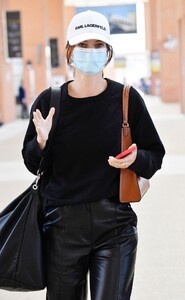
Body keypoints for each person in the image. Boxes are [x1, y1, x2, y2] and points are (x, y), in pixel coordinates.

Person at [22, 10, 165, 300]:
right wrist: (41, 142)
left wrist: (134, 160)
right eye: (83, 46)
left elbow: (155, 155)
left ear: (108, 51)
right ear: (69, 52)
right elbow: (32, 164)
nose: (91, 52)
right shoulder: (50, 101)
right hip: (61, 228)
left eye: (97, 45)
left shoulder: (127, 99)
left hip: (114, 227)